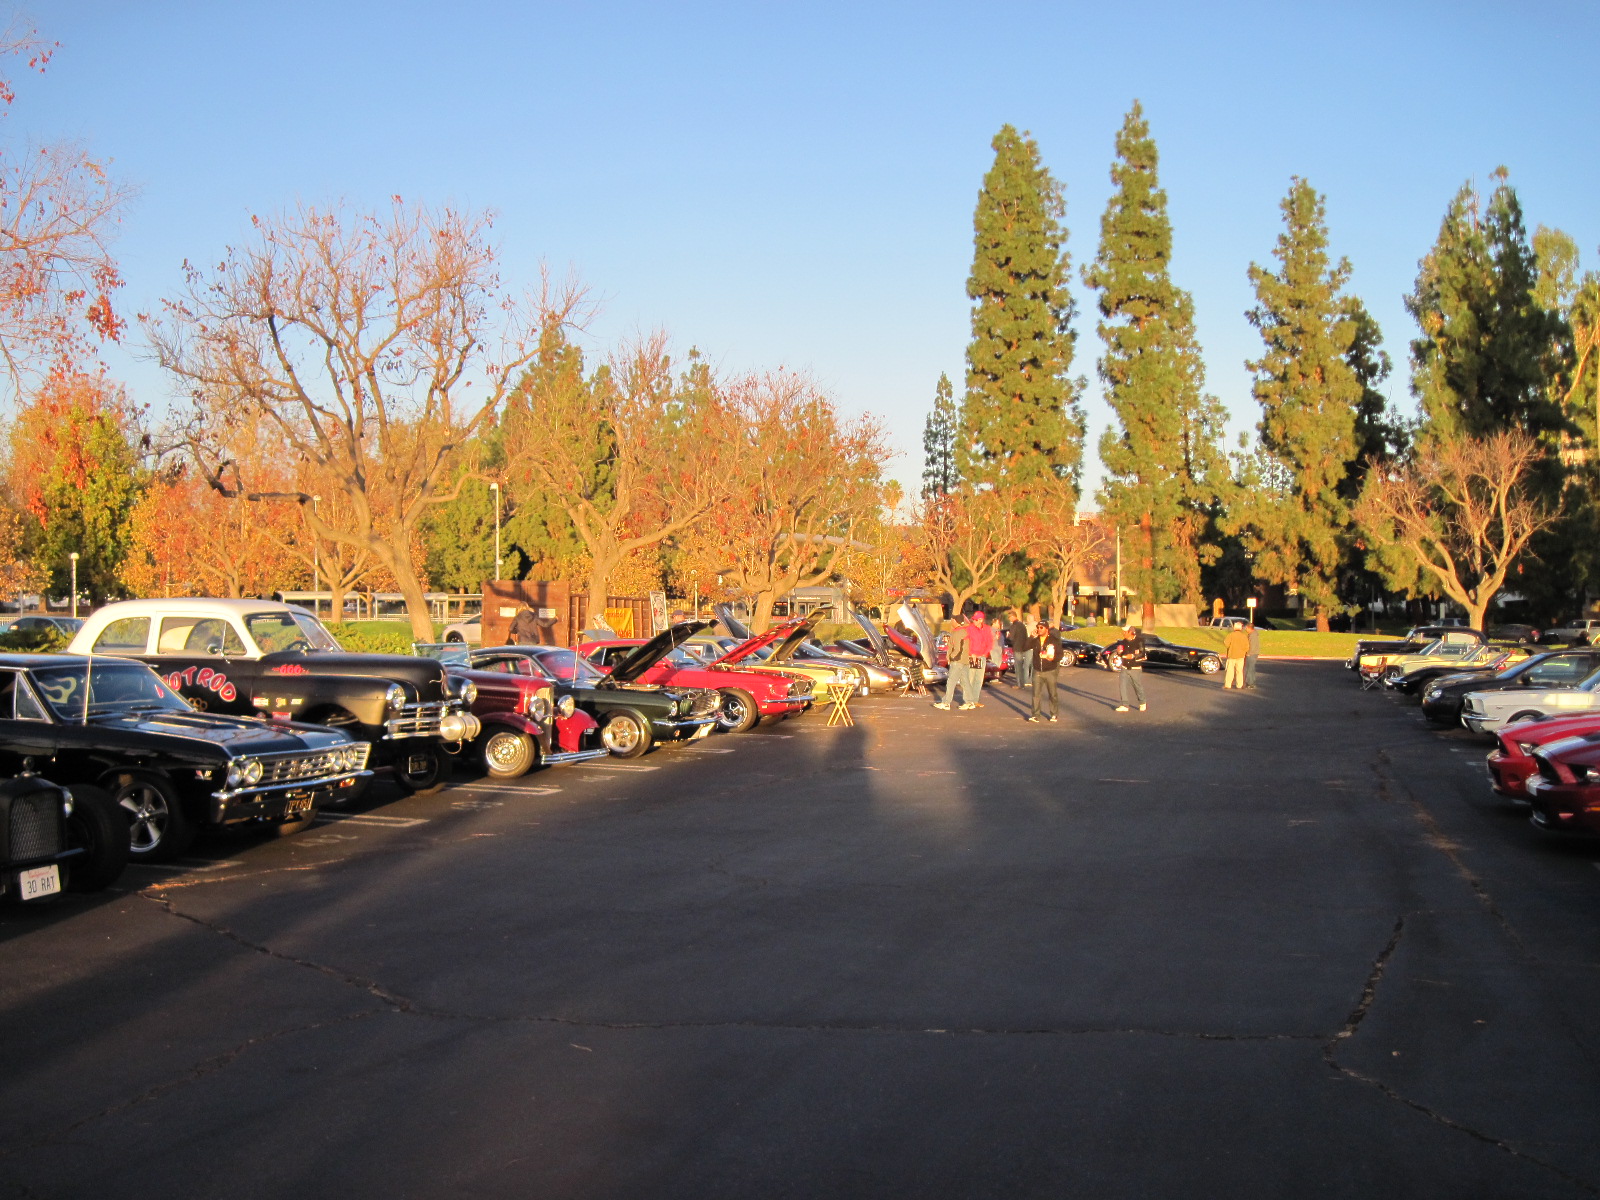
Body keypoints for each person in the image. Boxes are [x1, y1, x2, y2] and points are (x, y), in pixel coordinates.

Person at [933, 614, 970, 711]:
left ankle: (946, 703)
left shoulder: (957, 633)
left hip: (957, 661)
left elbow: (957, 648)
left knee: (951, 682)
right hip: (965, 660)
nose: (951, 621)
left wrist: (951, 657)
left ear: (956, 621)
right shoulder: (965, 631)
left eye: (952, 620)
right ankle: (969, 702)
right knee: (965, 681)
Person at [1029, 617, 1062, 722]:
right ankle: (1035, 715)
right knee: (1036, 694)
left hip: (1050, 670)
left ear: (1047, 629)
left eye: (1041, 627)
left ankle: (1054, 713)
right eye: (1038, 627)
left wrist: (1053, 658)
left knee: (1052, 694)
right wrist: (1031, 637)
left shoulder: (1054, 640)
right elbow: (1024, 647)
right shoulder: (1035, 640)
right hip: (1037, 670)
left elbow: (1060, 654)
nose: (1039, 629)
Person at [962, 610, 994, 710]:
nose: (974, 621)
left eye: (976, 620)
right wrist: (971, 654)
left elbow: (990, 642)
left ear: (981, 620)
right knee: (969, 679)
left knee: (979, 680)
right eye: (974, 620)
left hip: (982, 657)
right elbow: (964, 641)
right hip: (972, 656)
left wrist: (985, 653)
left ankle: (975, 700)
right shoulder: (969, 628)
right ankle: (968, 701)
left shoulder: (987, 629)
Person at [1111, 623, 1147, 712]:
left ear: (1131, 632)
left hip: (1135, 667)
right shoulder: (1124, 641)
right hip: (1124, 667)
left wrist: (1133, 656)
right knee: (1122, 685)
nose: (1123, 633)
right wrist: (1119, 653)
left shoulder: (1139, 641)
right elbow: (1122, 653)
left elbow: (1142, 653)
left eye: (1125, 632)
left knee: (1137, 686)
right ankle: (1125, 705)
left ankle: (1142, 702)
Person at [1009, 610, 1034, 689]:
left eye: (1009, 617)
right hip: (1024, 647)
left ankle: (1019, 684)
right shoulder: (1022, 625)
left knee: (1018, 667)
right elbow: (1025, 636)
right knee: (1024, 666)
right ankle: (1024, 682)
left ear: (1013, 617)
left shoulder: (1014, 626)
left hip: (1017, 647)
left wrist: (1008, 636)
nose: (1009, 619)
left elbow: (1011, 637)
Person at [1222, 623, 1250, 688]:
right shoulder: (1244, 636)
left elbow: (1226, 643)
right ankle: (1239, 685)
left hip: (1231, 655)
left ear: (1234, 628)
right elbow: (1247, 646)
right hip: (1241, 656)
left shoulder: (1231, 635)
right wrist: (1243, 651)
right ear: (1241, 628)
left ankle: (1228, 685)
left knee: (1230, 671)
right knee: (1239, 671)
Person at [1244, 621, 1261, 689]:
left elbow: (1252, 646)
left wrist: (1248, 653)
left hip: (1252, 654)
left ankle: (1250, 684)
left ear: (1249, 628)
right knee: (1251, 669)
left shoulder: (1252, 635)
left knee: (1249, 669)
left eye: (1246, 628)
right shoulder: (1253, 634)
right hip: (1254, 653)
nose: (1245, 629)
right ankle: (1251, 682)